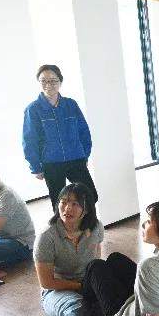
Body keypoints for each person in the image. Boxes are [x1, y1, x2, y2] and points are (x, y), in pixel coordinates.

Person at [33, 183, 102, 316]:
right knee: (76, 305)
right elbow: (46, 282)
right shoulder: (47, 236)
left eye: (74, 204)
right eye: (63, 202)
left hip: (86, 283)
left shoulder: (96, 227)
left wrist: (97, 283)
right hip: (57, 290)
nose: (67, 208)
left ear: (86, 209)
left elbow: (97, 260)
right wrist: (80, 287)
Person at [23, 64, 98, 210]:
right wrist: (35, 167)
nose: (48, 84)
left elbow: (83, 131)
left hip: (76, 158)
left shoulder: (71, 104)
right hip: (51, 163)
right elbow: (29, 140)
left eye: (53, 80)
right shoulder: (33, 109)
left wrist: (84, 154)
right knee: (59, 204)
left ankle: (87, 223)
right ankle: (63, 225)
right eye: (44, 81)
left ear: (60, 82)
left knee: (90, 196)